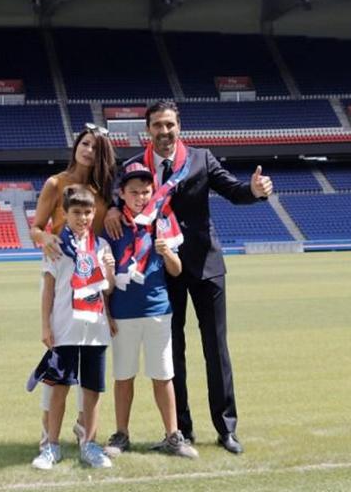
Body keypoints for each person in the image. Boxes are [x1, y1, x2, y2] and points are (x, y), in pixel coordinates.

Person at [104, 100, 273, 455]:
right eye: (157, 126)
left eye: (170, 125)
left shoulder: (202, 159)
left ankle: (226, 428)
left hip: (206, 266)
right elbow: (116, 199)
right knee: (172, 352)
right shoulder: (135, 166)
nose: (164, 132)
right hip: (164, 270)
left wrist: (254, 191)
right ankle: (181, 430)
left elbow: (234, 191)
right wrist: (108, 210)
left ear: (179, 127)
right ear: (147, 130)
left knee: (216, 348)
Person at [102, 162, 199, 459]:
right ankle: (121, 434)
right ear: (122, 193)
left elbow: (177, 269)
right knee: (123, 376)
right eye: (134, 192)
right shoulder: (113, 224)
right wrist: (107, 313)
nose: (140, 197)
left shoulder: (162, 220)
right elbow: (105, 280)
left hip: (158, 309)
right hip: (123, 313)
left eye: (145, 192)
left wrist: (168, 252)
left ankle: (172, 435)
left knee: (163, 375)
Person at [28, 125, 117, 449]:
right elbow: (35, 228)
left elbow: (99, 242)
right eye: (84, 143)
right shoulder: (56, 183)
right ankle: (47, 433)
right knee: (58, 361)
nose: (88, 150)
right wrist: (46, 237)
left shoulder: (103, 191)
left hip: (92, 286)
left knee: (92, 367)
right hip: (59, 277)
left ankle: (84, 429)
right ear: (76, 145)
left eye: (95, 146)